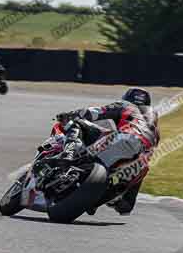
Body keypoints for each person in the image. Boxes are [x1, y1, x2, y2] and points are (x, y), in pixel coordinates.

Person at [54, 87, 160, 215]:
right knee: (127, 199)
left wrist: (71, 115)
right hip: (141, 160)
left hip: (125, 138)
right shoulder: (154, 126)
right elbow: (152, 146)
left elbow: (97, 112)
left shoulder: (126, 105)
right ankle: (110, 199)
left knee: (77, 124)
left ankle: (67, 154)